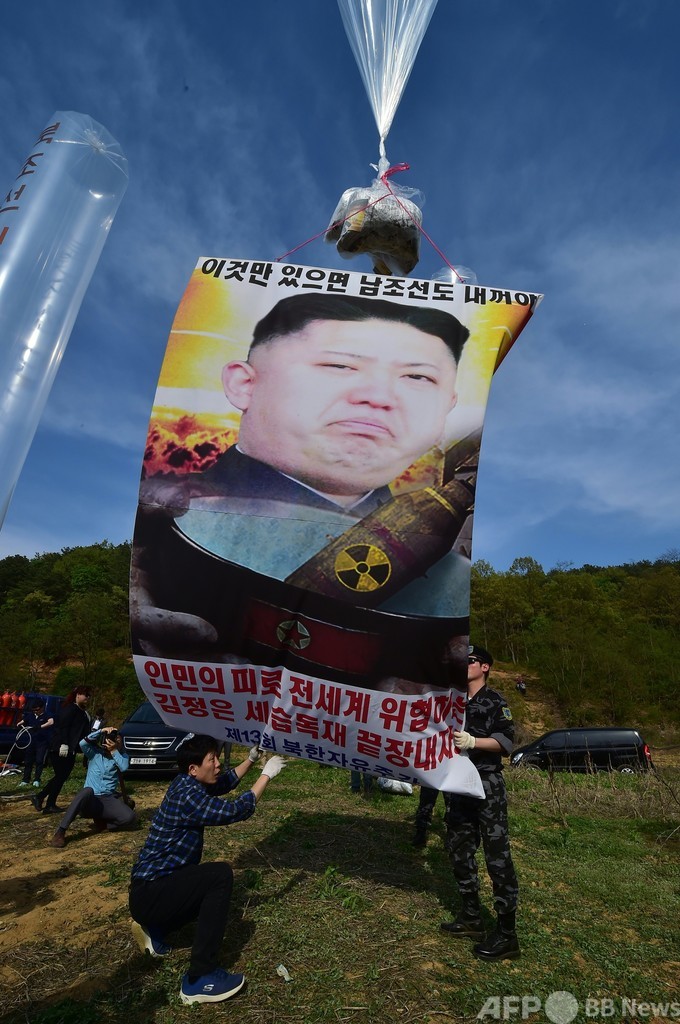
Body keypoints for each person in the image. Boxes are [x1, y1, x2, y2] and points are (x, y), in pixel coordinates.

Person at [131, 294, 474, 691]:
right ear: (244, 384)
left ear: (443, 412)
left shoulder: (445, 573)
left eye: (418, 378)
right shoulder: (164, 523)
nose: (379, 398)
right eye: (339, 365)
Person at [128, 735, 286, 1005]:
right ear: (193, 768)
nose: (217, 765)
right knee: (219, 876)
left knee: (201, 885)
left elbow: (222, 783)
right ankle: (200, 978)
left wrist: (250, 760)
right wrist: (266, 775)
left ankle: (155, 930)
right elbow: (236, 810)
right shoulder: (190, 797)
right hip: (152, 893)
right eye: (211, 759)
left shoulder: (186, 783)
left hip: (149, 891)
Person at [440, 645, 520, 960]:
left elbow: (506, 742)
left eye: (470, 661)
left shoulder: (495, 701)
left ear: (484, 667)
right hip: (457, 786)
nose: (465, 665)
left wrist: (474, 741)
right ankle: (472, 916)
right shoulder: (452, 701)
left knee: (497, 858)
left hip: (487, 784)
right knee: (459, 851)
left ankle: (507, 934)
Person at [49, 726, 135, 848]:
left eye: (118, 740)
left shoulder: (123, 756)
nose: (115, 741)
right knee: (86, 791)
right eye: (112, 739)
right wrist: (101, 731)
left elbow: (124, 767)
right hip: (90, 799)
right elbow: (82, 743)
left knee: (129, 817)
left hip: (107, 798)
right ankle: (61, 831)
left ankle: (104, 824)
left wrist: (114, 751)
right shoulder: (95, 753)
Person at [31, 686, 91, 814]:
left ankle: (41, 797)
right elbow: (63, 727)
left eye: (89, 695)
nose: (88, 698)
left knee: (61, 776)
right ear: (78, 695)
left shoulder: (82, 712)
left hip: (71, 748)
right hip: (60, 747)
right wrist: (64, 744)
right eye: (86, 695)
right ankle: (49, 804)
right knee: (61, 776)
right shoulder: (70, 709)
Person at [17, 699, 54, 787]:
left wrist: (40, 726)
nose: (35, 711)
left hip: (42, 742)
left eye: (37, 710)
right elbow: (23, 721)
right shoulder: (31, 715)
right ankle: (25, 780)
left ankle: (37, 779)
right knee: (28, 761)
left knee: (39, 761)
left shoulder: (47, 715)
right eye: (34, 710)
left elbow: (51, 722)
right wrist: (19, 724)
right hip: (31, 741)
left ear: (42, 708)